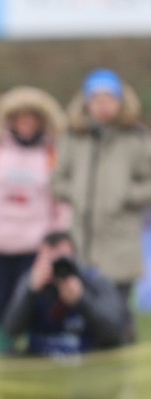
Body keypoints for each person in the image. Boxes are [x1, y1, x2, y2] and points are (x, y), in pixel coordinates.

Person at [0, 86, 70, 355]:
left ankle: (35, 352)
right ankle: (5, 355)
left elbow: (63, 203)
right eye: (21, 118)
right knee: (1, 304)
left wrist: (58, 240)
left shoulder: (52, 155)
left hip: (37, 247)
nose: (27, 124)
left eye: (32, 119)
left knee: (35, 303)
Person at [1, 231, 127, 399]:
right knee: (9, 364)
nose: (57, 267)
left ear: (75, 258)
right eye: (49, 261)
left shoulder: (94, 282)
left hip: (86, 367)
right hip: (44, 366)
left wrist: (82, 301)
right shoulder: (31, 282)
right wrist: (31, 291)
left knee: (85, 387)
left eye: (62, 260)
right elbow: (11, 329)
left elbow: (114, 333)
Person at [51, 69, 151, 342]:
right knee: (85, 316)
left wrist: (127, 194)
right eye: (96, 98)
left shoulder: (137, 139)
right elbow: (57, 181)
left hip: (120, 245)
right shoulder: (73, 138)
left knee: (117, 316)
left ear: (120, 102)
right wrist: (78, 193)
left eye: (109, 98)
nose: (102, 104)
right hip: (82, 244)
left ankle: (124, 377)